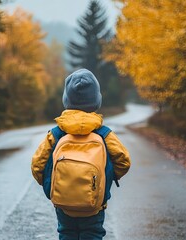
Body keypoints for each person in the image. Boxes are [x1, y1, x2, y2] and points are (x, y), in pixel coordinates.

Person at [31, 68, 131, 240]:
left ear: (66, 101)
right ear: (96, 101)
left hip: (63, 203)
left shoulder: (55, 134)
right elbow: (123, 162)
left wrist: (52, 186)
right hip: (94, 205)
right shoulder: (104, 134)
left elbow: (37, 165)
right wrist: (104, 181)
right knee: (92, 234)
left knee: (67, 233)